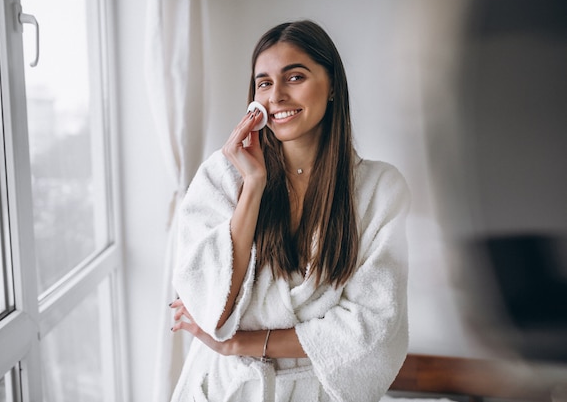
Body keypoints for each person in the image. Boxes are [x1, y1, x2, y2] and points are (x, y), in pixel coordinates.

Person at [169, 20, 411, 402]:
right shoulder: (222, 177)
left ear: (332, 86)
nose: (276, 95)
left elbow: (371, 327)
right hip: (226, 388)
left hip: (315, 391)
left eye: (294, 77)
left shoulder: (380, 190)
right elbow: (211, 309)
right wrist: (252, 186)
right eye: (263, 83)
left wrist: (242, 344)